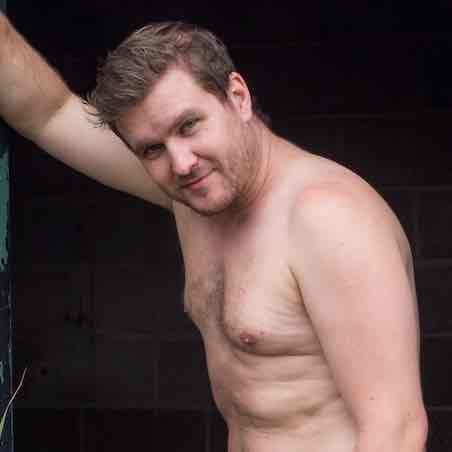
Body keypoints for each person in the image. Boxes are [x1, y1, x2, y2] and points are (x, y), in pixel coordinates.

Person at [0, 14, 428, 452]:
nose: (182, 163)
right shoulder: (195, 198)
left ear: (238, 97)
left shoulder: (328, 219)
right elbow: (49, 112)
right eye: (152, 149)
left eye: (189, 125)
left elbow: (395, 430)